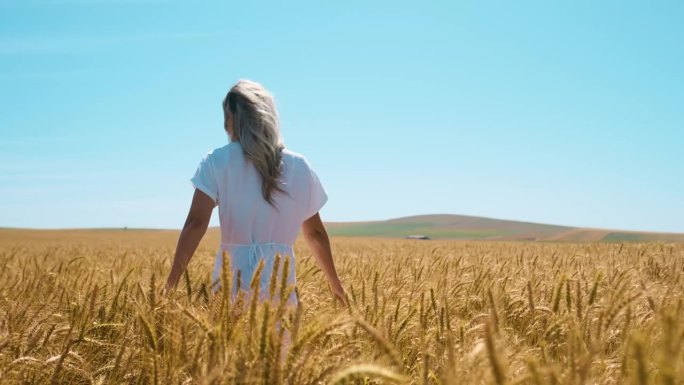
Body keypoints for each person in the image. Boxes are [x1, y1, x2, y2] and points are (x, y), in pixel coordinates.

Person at [163, 79, 347, 308]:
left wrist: (171, 283)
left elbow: (196, 223)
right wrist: (335, 283)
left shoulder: (217, 161)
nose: (224, 126)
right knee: (278, 343)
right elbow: (315, 234)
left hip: (230, 283)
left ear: (234, 119)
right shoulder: (299, 166)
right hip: (280, 285)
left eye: (226, 117)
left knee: (227, 343)